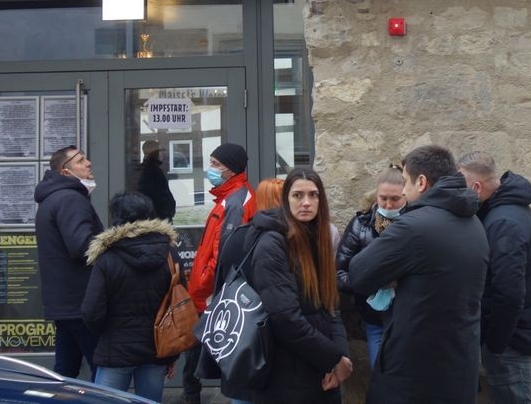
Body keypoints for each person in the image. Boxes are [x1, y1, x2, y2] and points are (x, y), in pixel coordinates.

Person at [349, 145, 489, 404]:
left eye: (404, 182)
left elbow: (358, 274)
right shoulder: (475, 224)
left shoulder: (414, 227)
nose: (402, 190)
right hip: (459, 367)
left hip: (414, 375)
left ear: (421, 182)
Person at [235, 167, 353, 403]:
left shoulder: (316, 238)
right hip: (286, 376)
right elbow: (285, 318)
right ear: (286, 199)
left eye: (313, 195)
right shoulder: (272, 244)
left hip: (317, 370)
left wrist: (340, 357)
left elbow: (331, 306)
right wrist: (332, 359)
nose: (306, 202)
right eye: (298, 195)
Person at [457, 152, 531, 404]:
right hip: (510, 335)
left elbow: (509, 292)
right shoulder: (504, 210)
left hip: (510, 341)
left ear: (476, 187)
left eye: (460, 187)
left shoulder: (504, 221)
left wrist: (495, 343)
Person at [82, 191, 180, 402]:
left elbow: (91, 311)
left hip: (115, 350)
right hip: (156, 350)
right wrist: (172, 354)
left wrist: (106, 335)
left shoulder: (107, 257)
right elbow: (177, 305)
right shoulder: (169, 254)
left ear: (117, 218)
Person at [182, 142, 256, 404]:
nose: (210, 169)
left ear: (231, 169)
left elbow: (223, 254)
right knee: (195, 359)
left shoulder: (236, 202)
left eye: (216, 165)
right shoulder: (229, 198)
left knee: (198, 359)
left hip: (215, 293)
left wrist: (203, 287)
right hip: (211, 292)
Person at [34, 145, 104, 378]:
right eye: (81, 160)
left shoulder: (53, 198)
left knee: (65, 370)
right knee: (102, 368)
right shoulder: (71, 199)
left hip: (65, 303)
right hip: (81, 302)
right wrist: (112, 244)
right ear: (66, 171)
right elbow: (81, 246)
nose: (88, 163)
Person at [335, 165, 406, 366]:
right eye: (384, 198)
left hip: (407, 316)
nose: (389, 205)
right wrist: (367, 283)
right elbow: (339, 272)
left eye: (395, 199)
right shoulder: (361, 224)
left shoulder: (415, 222)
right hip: (373, 315)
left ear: (406, 196)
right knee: (379, 371)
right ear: (376, 196)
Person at [138, 140, 176, 221]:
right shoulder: (154, 171)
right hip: (157, 217)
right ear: (154, 153)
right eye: (159, 151)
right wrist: (168, 210)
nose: (161, 154)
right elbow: (162, 195)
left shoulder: (141, 169)